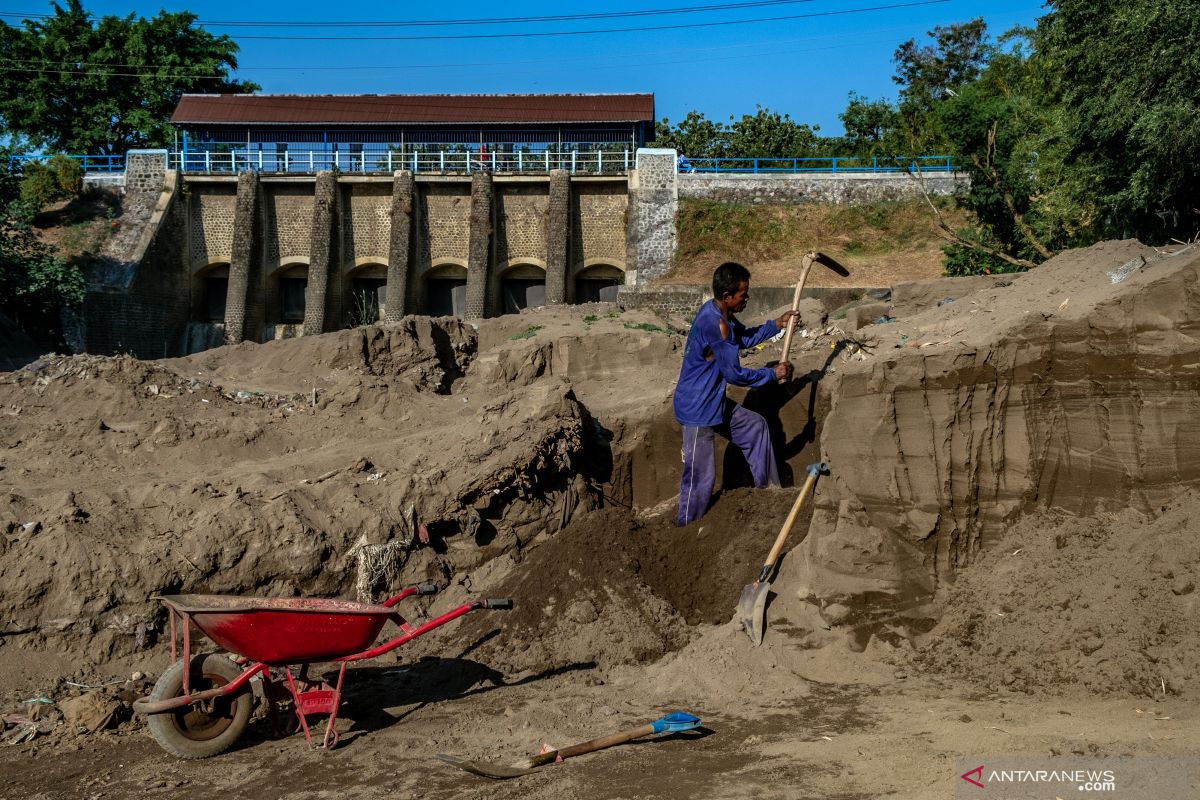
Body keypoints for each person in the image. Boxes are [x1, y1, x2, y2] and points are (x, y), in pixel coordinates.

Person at [673, 262, 796, 527]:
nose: (747, 299)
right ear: (728, 297)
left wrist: (777, 324)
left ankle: (770, 494)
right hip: (697, 410)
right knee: (699, 479)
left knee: (755, 427)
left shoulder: (720, 313)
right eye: (743, 295)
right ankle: (686, 527)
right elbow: (735, 376)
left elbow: (744, 338)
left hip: (713, 402)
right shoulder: (717, 324)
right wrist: (772, 375)